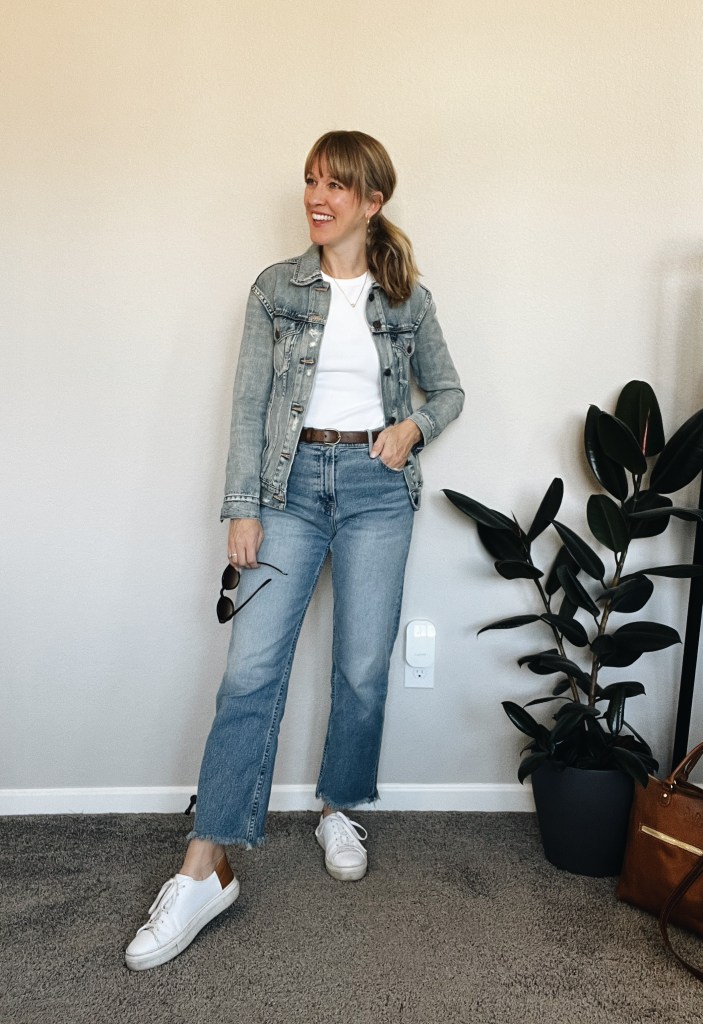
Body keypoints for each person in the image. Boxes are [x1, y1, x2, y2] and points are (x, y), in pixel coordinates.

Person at [125, 130, 464, 971]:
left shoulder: (407, 298)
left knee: (362, 666)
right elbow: (248, 406)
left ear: (373, 201)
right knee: (250, 671)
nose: (317, 196)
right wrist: (242, 508)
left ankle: (339, 806)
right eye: (312, 181)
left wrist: (412, 428)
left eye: (336, 185)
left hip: (378, 491)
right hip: (289, 490)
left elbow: (451, 390)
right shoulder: (276, 288)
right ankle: (204, 867)